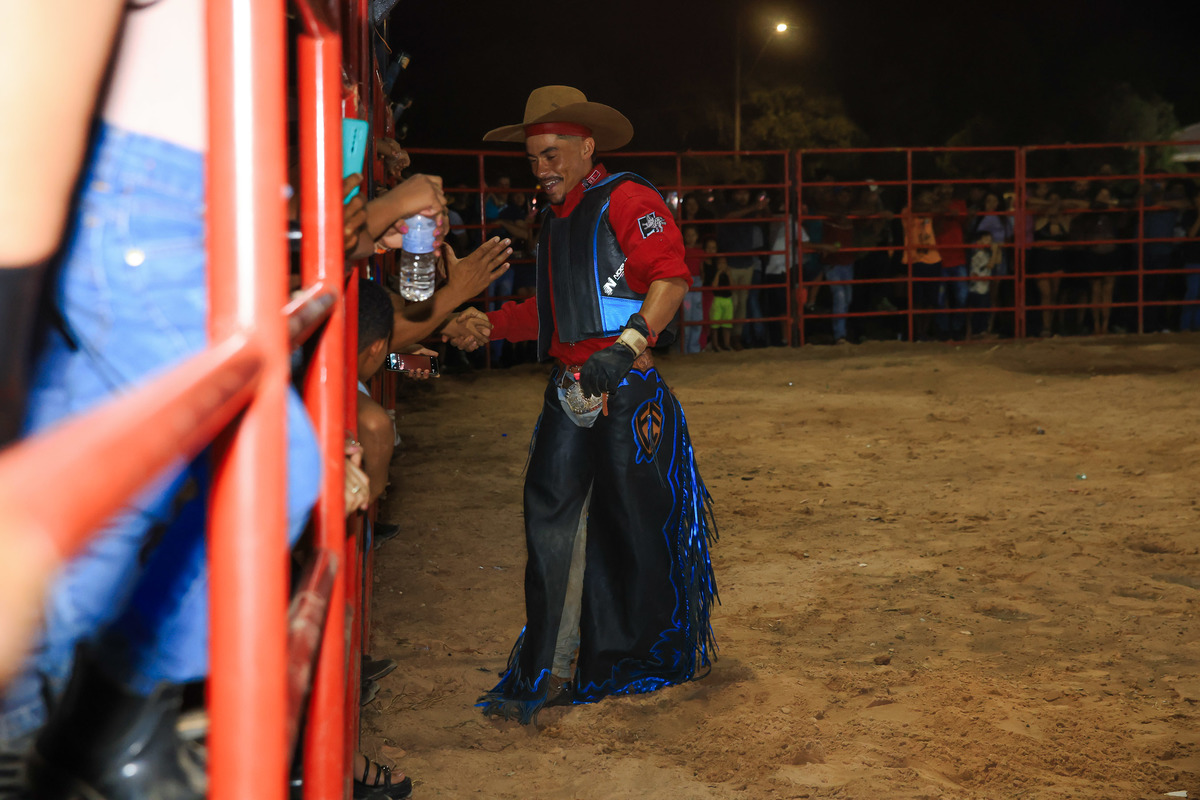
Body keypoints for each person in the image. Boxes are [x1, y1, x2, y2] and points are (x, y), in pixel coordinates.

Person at [451, 85, 718, 723]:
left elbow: (671, 276)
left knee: (629, 523)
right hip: (575, 384)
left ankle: (628, 656)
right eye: (533, 159)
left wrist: (626, 346)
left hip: (624, 388)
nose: (541, 169)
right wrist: (489, 324)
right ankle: (554, 659)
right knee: (550, 521)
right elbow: (553, 311)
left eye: (551, 155)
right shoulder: (561, 218)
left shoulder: (628, 200)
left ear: (586, 146)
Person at [967, 231, 1001, 338]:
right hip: (978, 288)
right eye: (986, 239)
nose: (989, 242)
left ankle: (981, 332)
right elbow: (991, 265)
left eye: (990, 240)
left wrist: (997, 251)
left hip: (982, 287)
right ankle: (978, 332)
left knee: (983, 309)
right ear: (978, 241)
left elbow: (998, 261)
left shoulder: (985, 253)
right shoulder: (979, 254)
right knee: (980, 310)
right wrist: (995, 251)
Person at [680, 225, 706, 353]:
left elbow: (702, 269)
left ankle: (694, 349)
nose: (690, 238)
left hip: (696, 282)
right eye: (688, 235)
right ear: (684, 237)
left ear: (697, 237)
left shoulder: (700, 252)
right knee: (687, 316)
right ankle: (685, 349)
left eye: (693, 235)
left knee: (696, 316)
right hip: (686, 282)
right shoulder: (682, 251)